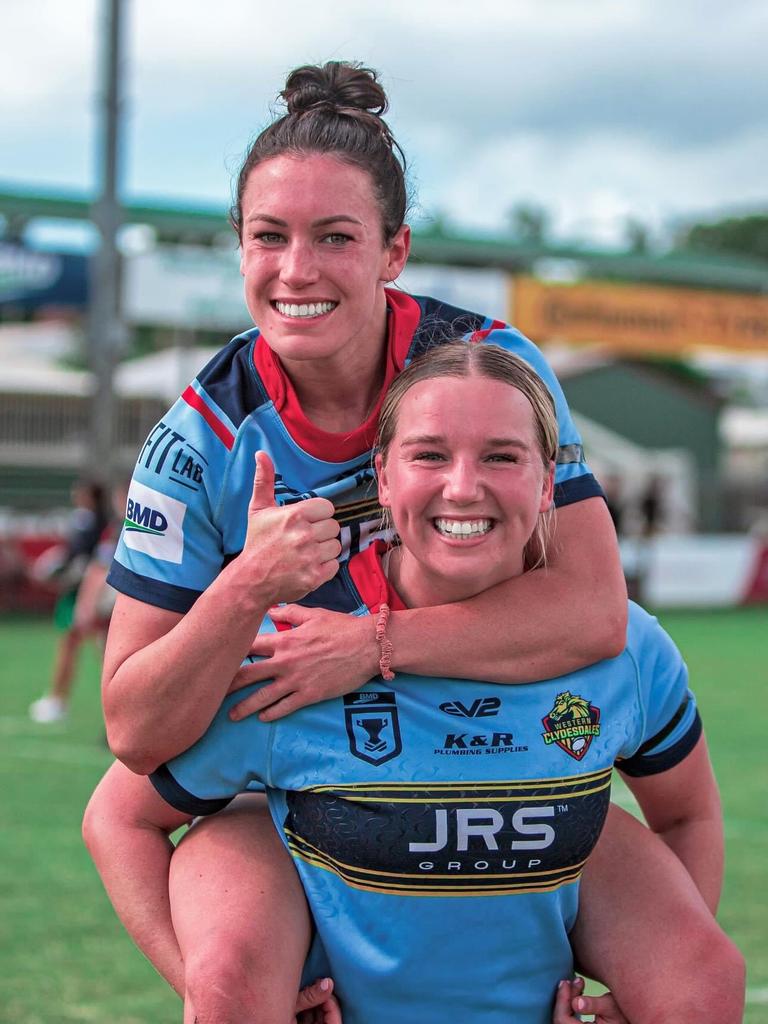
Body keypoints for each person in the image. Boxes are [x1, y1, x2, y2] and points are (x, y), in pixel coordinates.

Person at [85, 344, 743, 1023]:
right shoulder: (297, 650)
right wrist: (204, 986)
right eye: (429, 455)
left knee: (708, 983)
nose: (463, 487)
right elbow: (120, 815)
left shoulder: (620, 647)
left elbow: (687, 814)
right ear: (384, 479)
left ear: (549, 483)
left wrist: (644, 996)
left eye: (501, 456)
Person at [29, 478, 109, 723]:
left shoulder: (87, 521)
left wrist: (55, 568)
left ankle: (57, 700)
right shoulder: (100, 521)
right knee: (101, 646)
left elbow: (78, 556)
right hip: (93, 589)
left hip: (82, 591)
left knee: (72, 645)